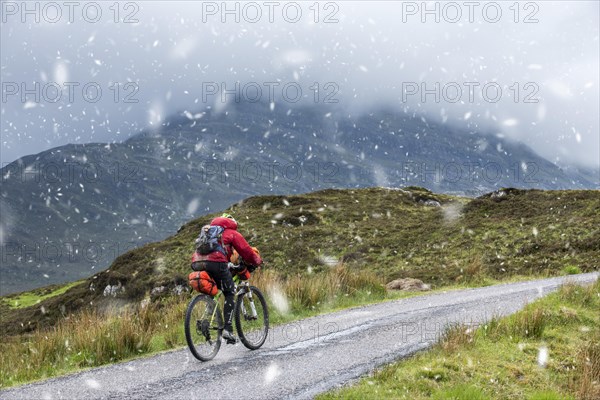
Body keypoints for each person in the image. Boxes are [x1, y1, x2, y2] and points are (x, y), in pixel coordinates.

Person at [191, 213, 262, 343]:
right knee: (229, 292)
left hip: (197, 263)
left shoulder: (208, 231)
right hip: (216, 262)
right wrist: (257, 261)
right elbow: (246, 251)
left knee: (215, 287)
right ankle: (228, 330)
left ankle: (207, 318)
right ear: (231, 223)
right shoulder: (231, 233)